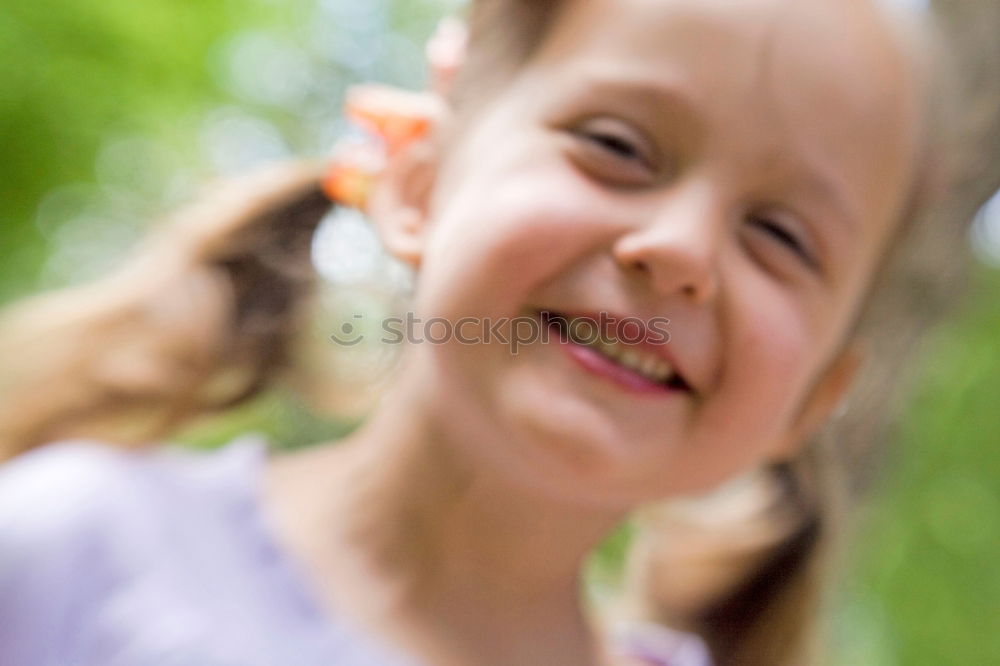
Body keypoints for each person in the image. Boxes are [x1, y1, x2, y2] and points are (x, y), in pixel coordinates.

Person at [0, 0, 961, 664]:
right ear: (417, 180)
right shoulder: (66, 549)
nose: (681, 252)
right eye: (618, 146)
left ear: (820, 395)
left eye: (783, 237)